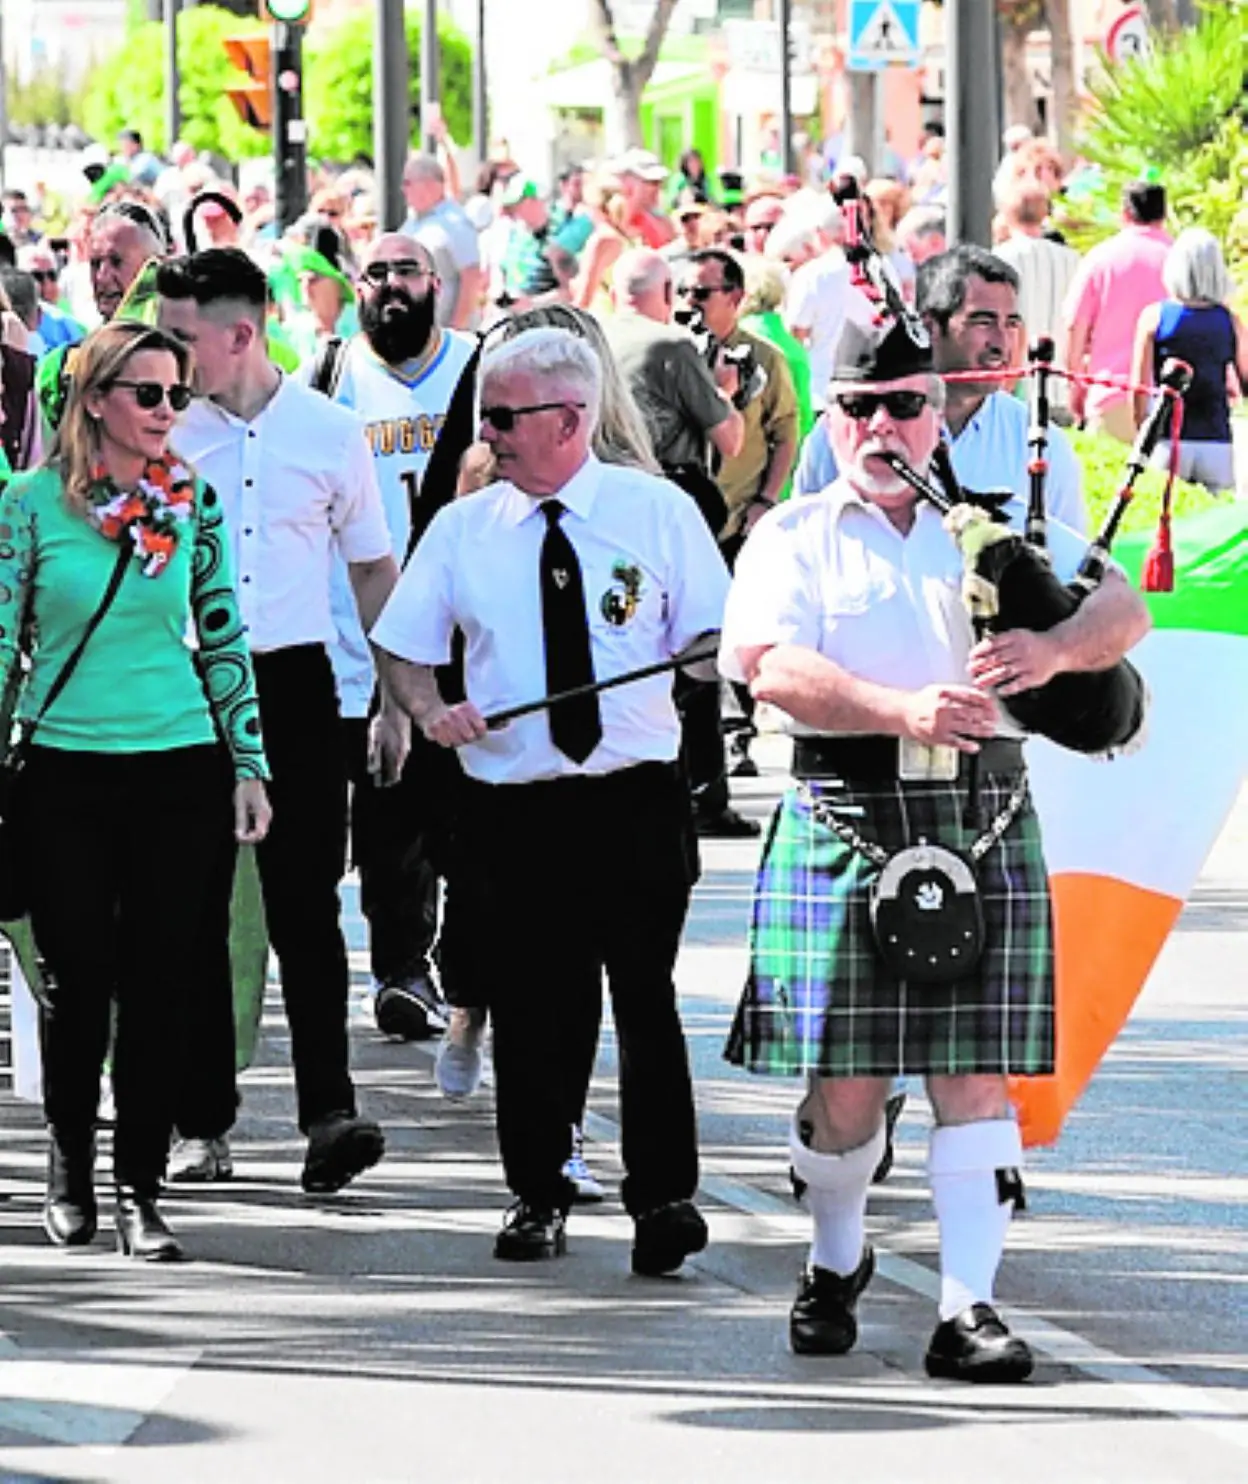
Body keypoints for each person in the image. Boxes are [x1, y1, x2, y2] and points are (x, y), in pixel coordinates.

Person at [719, 309, 1150, 1383]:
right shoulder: (796, 534)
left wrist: (1053, 649)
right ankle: (833, 1259)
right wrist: (897, 706)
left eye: (905, 404)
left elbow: (1127, 609)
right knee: (849, 1085)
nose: (883, 426)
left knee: (975, 1075)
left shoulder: (1002, 526)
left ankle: (969, 1310)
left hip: (983, 811)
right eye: (859, 406)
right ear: (833, 412)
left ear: (936, 411)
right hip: (847, 811)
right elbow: (764, 663)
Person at [373, 326, 726, 1272]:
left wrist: (705, 656)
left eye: (504, 418)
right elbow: (402, 644)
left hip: (634, 799)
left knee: (644, 1001)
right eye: (485, 416)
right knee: (536, 1009)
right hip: (513, 808)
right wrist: (429, 706)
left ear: (570, 419)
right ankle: (537, 1190)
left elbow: (709, 639)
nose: (486, 437)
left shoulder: (656, 512)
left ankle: (665, 1202)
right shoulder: (462, 530)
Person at [0, 321, 272, 1260]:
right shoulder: (27, 505)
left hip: (178, 764)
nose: (167, 414)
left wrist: (249, 764)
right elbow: (1, 648)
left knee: (165, 988)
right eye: (148, 395)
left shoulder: (190, 504)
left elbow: (225, 637)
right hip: (66, 769)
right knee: (78, 986)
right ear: (95, 400)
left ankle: (140, 1191)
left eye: (177, 397)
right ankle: (69, 1166)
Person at [156, 248, 401, 1193]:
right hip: (189, 682)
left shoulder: (332, 433)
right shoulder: (169, 435)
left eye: (185, 341)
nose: (171, 361)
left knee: (306, 908)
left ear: (241, 334)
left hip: (298, 686)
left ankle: (329, 1115)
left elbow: (373, 568)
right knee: (195, 907)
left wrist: (395, 697)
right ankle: (200, 1119)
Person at [301, 233, 476, 1043]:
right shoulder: (330, 378)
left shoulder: (475, 368)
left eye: (408, 271)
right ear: (356, 287)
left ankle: (416, 968)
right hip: (346, 630)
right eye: (377, 273)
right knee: (370, 815)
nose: (393, 286)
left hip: (454, 634)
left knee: (424, 815)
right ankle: (393, 969)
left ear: (437, 284)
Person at [605, 248, 754, 837]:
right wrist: (726, 390)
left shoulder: (590, 338)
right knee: (696, 651)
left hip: (604, 507)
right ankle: (701, 794)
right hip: (672, 497)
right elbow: (732, 438)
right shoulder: (669, 346)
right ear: (664, 292)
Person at [793, 247, 1087, 533]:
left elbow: (1071, 565)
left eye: (1010, 324)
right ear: (928, 326)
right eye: (982, 322)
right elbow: (805, 539)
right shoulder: (846, 432)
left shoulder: (1039, 443)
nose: (1001, 343)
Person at [1131, 228, 1248, 496]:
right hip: (1216, 437)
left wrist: (1142, 431)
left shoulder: (1155, 317)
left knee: (1164, 520)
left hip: (1167, 438)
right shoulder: (1230, 321)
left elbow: (1139, 386)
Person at [1063, 178, 1172, 441]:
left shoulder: (1101, 258)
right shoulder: (1178, 258)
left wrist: (1076, 385)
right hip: (1170, 397)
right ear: (1164, 214)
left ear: (1124, 213)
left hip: (1110, 392)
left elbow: (1074, 325)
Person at [992, 184, 1080, 421]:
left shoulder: (999, 259)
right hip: (1062, 387)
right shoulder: (1073, 260)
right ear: (1045, 213)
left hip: (1018, 388)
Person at [400, 155, 484, 330]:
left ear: (430, 184)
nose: (402, 189)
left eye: (407, 182)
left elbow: (471, 276)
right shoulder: (412, 222)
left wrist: (456, 329)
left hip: (446, 333)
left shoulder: (455, 223)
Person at [17, 243, 86, 350]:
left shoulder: (69, 323)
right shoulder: (11, 325)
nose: (47, 284)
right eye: (36, 277)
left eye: (52, 275)